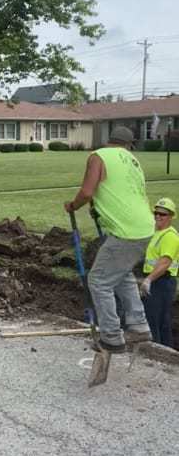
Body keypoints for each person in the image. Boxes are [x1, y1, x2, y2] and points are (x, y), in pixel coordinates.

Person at [64, 125, 154, 353]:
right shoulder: (133, 161)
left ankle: (111, 336)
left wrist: (73, 206)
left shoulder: (99, 156)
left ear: (109, 141)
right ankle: (139, 325)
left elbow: (87, 192)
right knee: (122, 273)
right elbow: (119, 192)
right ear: (129, 144)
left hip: (126, 231)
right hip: (145, 227)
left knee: (99, 281)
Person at [140, 197, 179, 347]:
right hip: (159, 281)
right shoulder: (158, 233)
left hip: (162, 282)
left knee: (153, 319)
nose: (158, 216)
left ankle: (156, 351)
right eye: (156, 213)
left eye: (162, 214)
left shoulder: (169, 236)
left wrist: (148, 280)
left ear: (171, 217)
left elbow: (165, 263)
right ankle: (164, 352)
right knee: (160, 320)